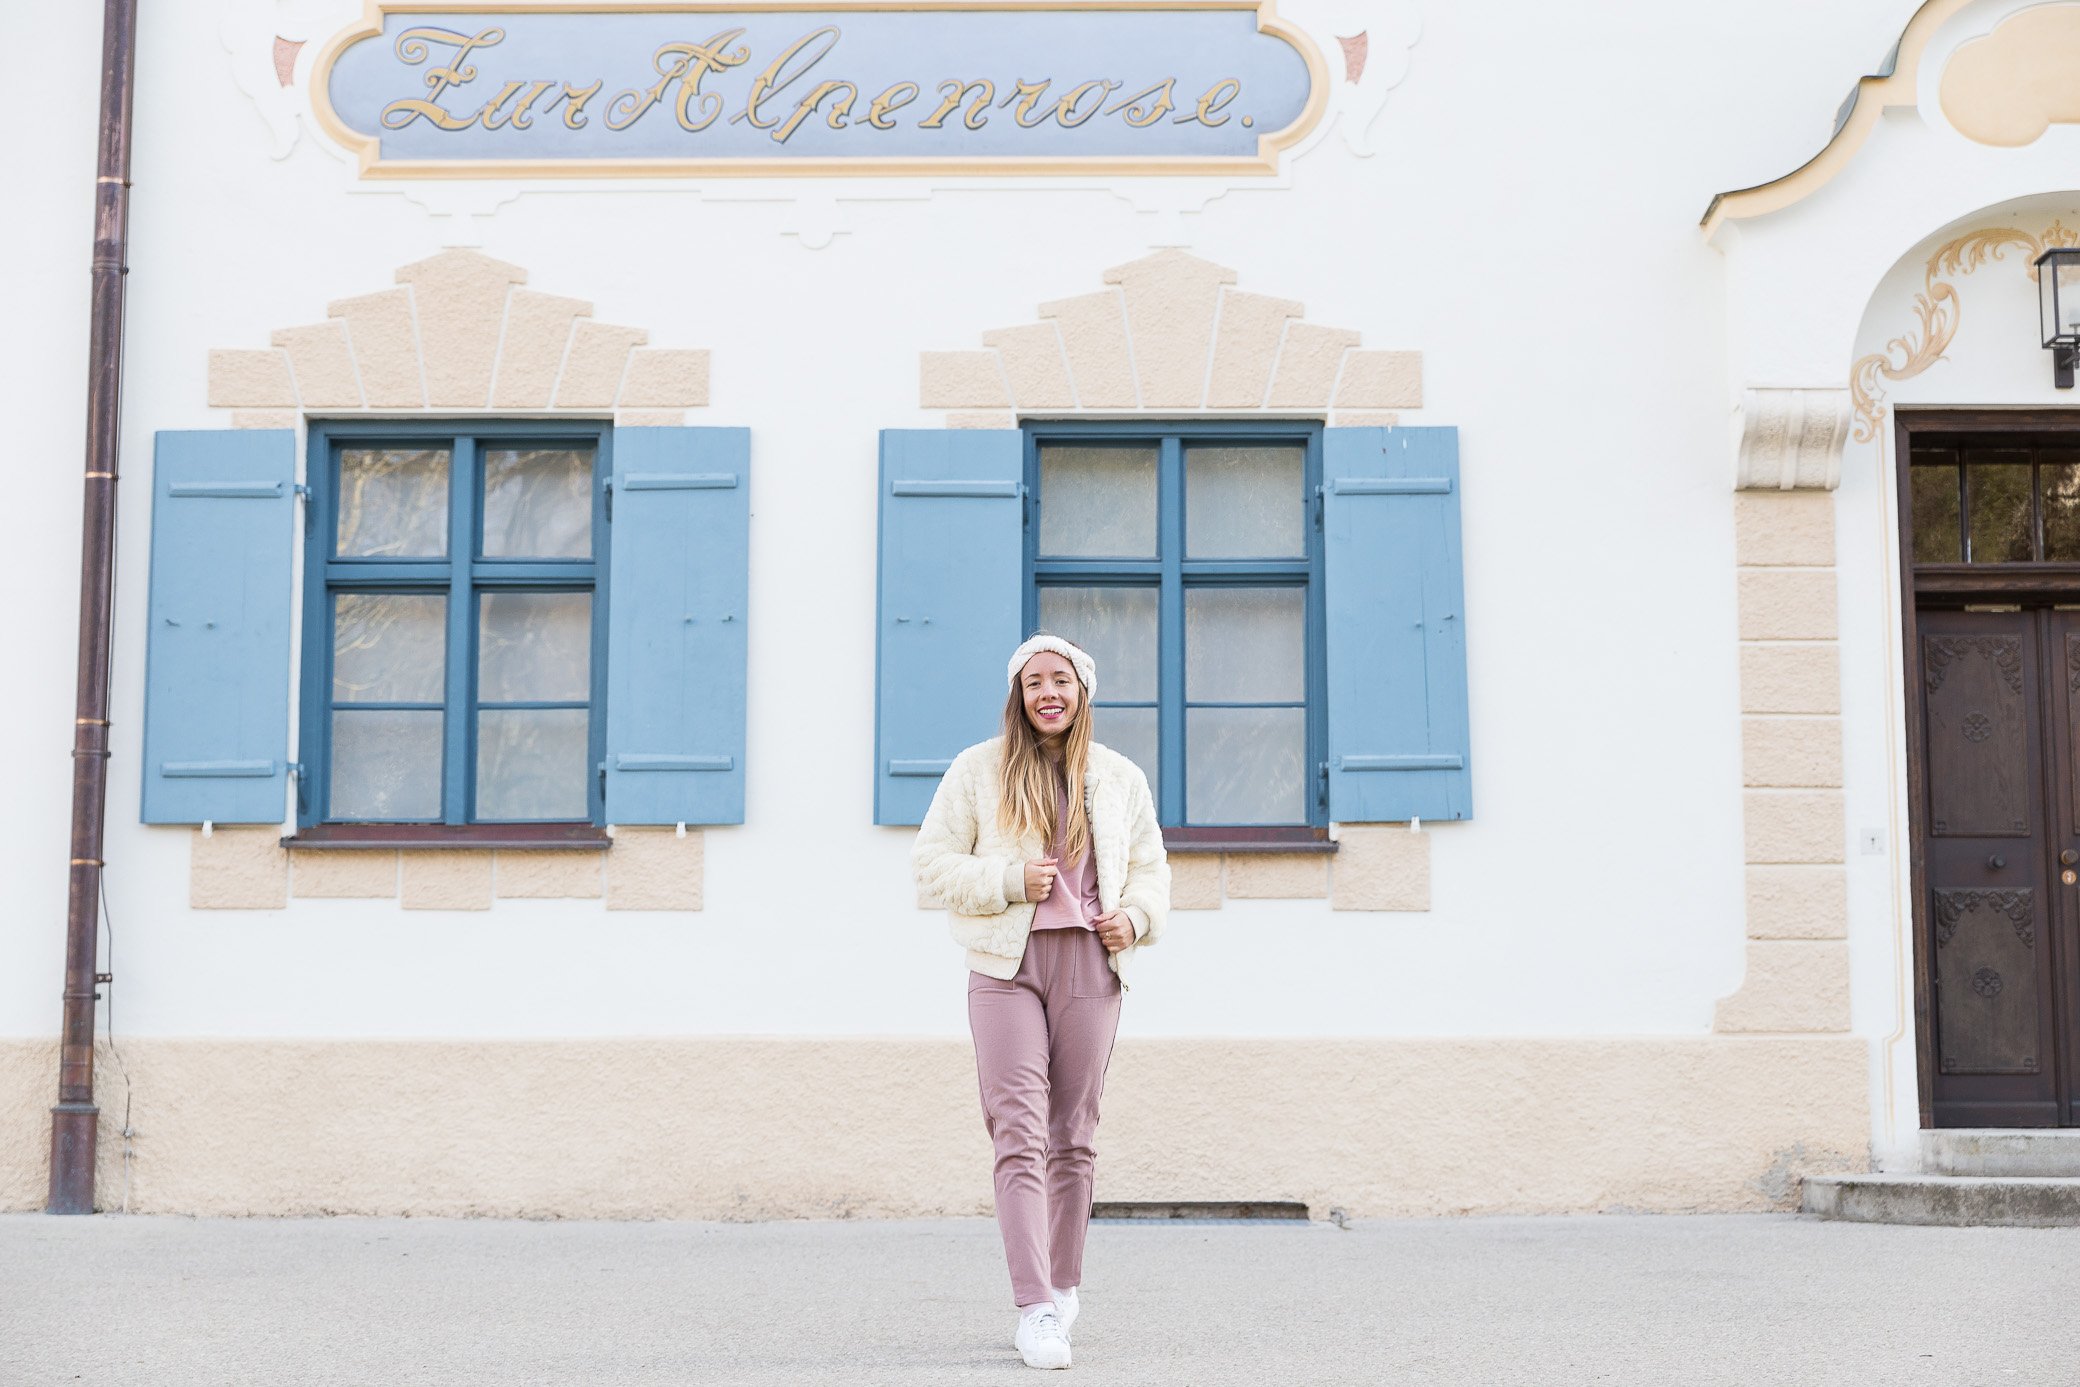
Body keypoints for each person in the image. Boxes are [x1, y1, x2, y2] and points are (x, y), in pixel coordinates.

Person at [913, 632, 1170, 1371]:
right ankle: (1034, 1307)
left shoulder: (1120, 777)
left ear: (1082, 691)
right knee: (1017, 1130)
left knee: (1074, 1131)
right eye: (1033, 683)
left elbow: (1153, 869)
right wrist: (1004, 880)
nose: (1047, 692)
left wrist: (1138, 917)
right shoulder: (978, 770)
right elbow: (929, 864)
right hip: (1006, 966)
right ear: (1017, 696)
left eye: (1060, 679)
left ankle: (1064, 1283)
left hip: (1092, 961)